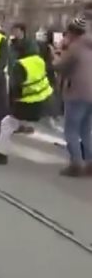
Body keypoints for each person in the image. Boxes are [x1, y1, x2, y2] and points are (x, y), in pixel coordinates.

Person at [0, 38, 54, 166]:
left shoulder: (20, 65)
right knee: (56, 126)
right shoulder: (39, 60)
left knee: (6, 123)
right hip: (45, 99)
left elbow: (15, 88)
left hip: (27, 102)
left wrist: (13, 104)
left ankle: (1, 155)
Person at [53, 17, 92, 176]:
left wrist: (55, 57)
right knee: (85, 130)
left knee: (71, 130)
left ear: (72, 32)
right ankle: (90, 163)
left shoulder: (75, 47)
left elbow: (62, 67)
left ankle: (76, 164)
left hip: (77, 92)